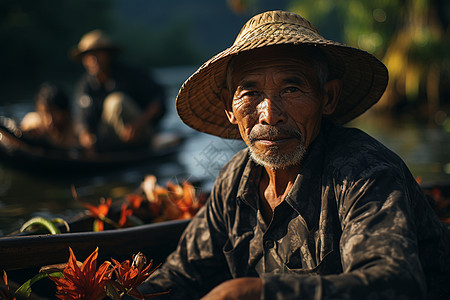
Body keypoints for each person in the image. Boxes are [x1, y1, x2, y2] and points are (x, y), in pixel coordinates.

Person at [138, 10, 450, 299]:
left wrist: (258, 292)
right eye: (250, 93)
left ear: (327, 98)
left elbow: (395, 283)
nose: (270, 115)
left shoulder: (363, 172)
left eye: (291, 89)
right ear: (228, 108)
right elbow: (181, 275)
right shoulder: (234, 180)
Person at [71, 29, 166, 152]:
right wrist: (86, 136)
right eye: (88, 55)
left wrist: (139, 124)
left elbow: (158, 99)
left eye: (97, 53)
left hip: (141, 132)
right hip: (108, 137)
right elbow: (82, 117)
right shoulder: (85, 85)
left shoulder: (131, 73)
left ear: (108, 54)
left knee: (116, 102)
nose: (93, 59)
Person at [20, 82, 77, 150]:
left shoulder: (76, 129)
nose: (49, 121)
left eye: (54, 113)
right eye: (44, 114)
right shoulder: (33, 123)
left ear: (65, 112)